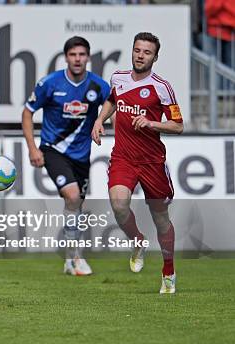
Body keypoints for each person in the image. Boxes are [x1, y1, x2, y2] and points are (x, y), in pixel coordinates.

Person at [92, 32, 184, 294]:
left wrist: (151, 123)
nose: (140, 56)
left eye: (146, 52)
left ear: (155, 57)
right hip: (123, 157)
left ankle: (168, 270)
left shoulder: (162, 87)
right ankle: (138, 241)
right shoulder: (118, 78)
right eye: (137, 50)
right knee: (119, 205)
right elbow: (112, 100)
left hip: (153, 161)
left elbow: (178, 126)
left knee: (161, 219)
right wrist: (100, 120)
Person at [22, 36, 110, 276]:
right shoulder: (49, 83)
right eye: (73, 55)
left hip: (82, 155)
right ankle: (76, 258)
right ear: (66, 57)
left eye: (82, 54)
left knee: (75, 204)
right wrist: (32, 148)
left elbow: (113, 105)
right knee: (72, 196)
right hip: (53, 150)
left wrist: (101, 120)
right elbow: (28, 113)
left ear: (88, 57)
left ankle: (71, 257)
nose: (77, 59)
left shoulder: (99, 86)